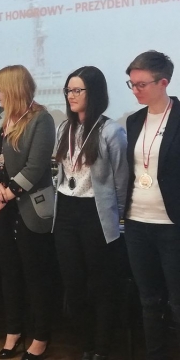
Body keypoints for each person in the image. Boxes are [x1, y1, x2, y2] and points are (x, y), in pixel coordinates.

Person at [0, 65, 56, 360]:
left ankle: (40, 336)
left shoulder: (41, 119)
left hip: (28, 207)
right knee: (8, 272)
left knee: (35, 275)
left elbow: (36, 167)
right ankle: (13, 331)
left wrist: (6, 195)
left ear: (12, 89)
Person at [53, 66, 128, 360]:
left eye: (77, 90)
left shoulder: (111, 130)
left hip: (95, 212)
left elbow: (121, 181)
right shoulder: (64, 128)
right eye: (68, 90)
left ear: (93, 93)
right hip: (66, 209)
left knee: (101, 284)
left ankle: (102, 347)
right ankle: (86, 344)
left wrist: (116, 218)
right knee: (73, 283)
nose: (71, 96)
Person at [124, 50, 180, 360]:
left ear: (163, 82)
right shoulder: (134, 120)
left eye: (141, 84)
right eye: (131, 84)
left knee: (177, 301)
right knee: (148, 300)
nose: (135, 90)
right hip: (137, 223)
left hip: (172, 224)